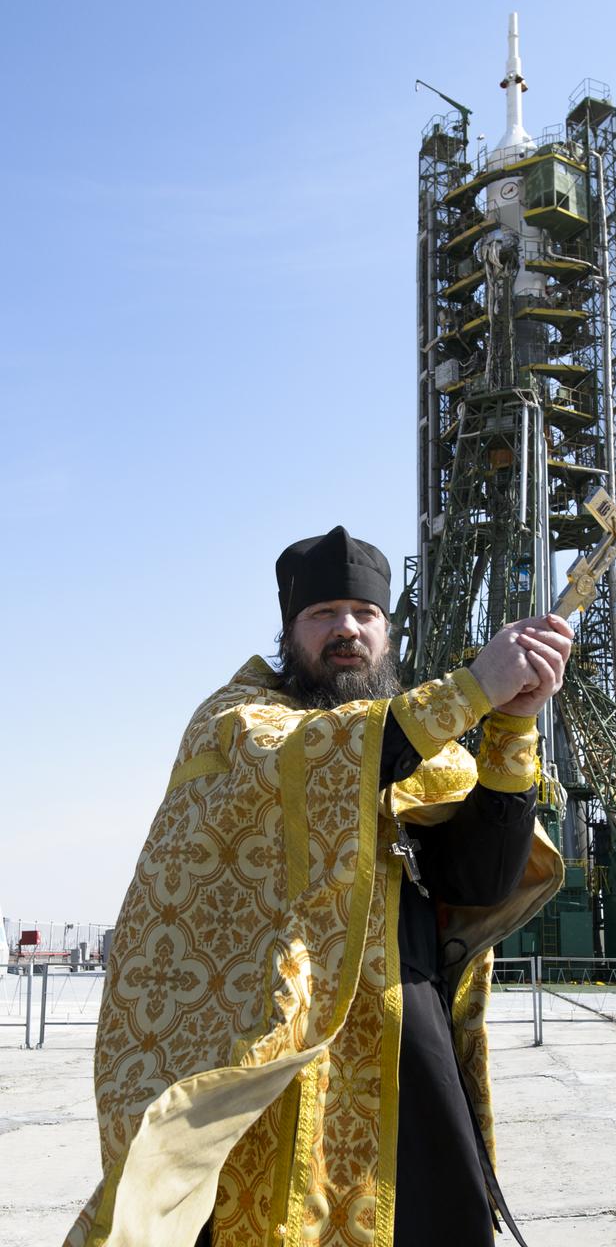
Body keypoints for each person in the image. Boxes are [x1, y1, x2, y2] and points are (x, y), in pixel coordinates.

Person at [65, 527, 570, 1247]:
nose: (346, 630)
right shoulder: (237, 721)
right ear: (288, 632)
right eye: (323, 614)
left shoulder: (424, 746)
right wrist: (471, 690)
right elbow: (319, 754)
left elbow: (478, 881)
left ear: (387, 633)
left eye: (364, 615)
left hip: (406, 1041)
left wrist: (512, 725)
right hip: (272, 1035)